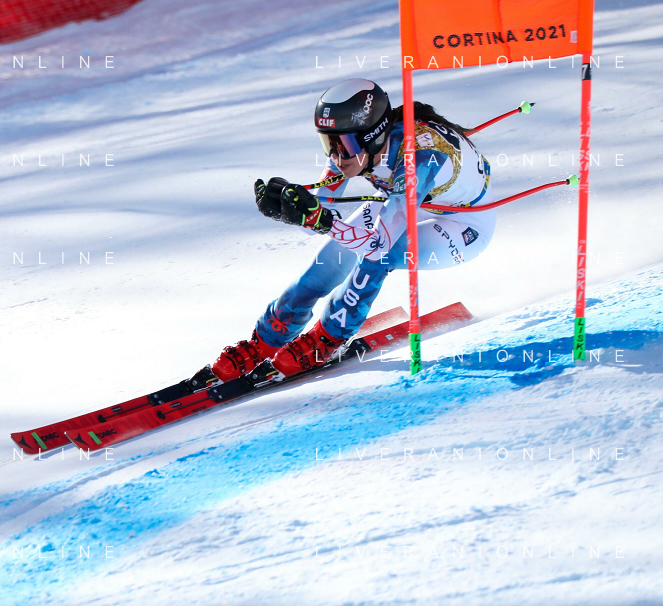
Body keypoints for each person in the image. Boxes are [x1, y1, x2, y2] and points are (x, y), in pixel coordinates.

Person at [211, 78, 496, 380]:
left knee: (381, 257)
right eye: (328, 143)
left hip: (464, 225)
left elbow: (380, 245)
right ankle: (269, 337)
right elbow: (318, 211)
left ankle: (330, 337)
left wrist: (324, 221)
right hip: (412, 201)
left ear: (373, 137)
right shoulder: (352, 148)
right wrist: (287, 207)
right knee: (329, 259)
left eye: (343, 146)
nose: (336, 156)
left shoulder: (420, 159)